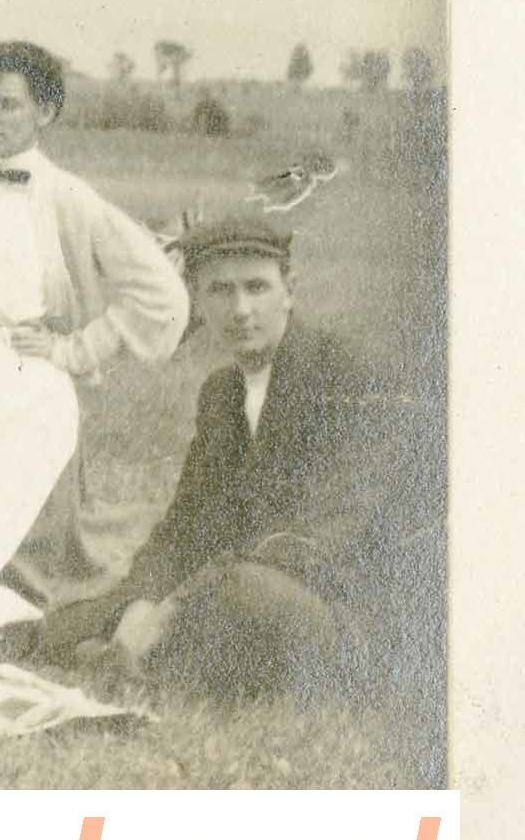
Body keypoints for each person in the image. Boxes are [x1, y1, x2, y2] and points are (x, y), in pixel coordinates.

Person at [35, 218, 431, 702]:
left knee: (240, 592)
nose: (240, 310)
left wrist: (172, 607)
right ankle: (134, 649)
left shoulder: (347, 378)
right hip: (237, 585)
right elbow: (185, 525)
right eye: (220, 291)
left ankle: (150, 654)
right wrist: (142, 599)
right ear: (198, 301)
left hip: (344, 612)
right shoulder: (221, 393)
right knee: (64, 626)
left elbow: (316, 540)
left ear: (289, 291)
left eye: (257, 288)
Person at [0, 40, 188, 618]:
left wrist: (74, 349)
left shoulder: (68, 198)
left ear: (45, 112)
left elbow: (162, 294)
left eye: (7, 104)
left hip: (18, 366)